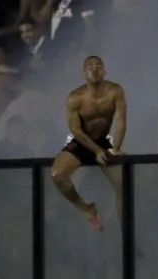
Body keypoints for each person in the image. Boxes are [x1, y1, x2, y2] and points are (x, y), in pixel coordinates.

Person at [50, 55, 127, 230]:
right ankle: (85, 208)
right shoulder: (75, 97)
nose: (95, 68)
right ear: (84, 73)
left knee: (124, 185)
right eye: (90, 66)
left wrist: (116, 148)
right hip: (81, 142)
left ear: (105, 70)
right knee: (57, 175)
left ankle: (125, 229)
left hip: (103, 141)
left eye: (98, 65)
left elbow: (121, 121)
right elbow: (76, 130)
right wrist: (96, 151)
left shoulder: (115, 91)